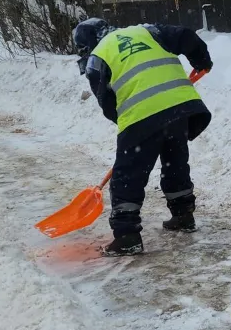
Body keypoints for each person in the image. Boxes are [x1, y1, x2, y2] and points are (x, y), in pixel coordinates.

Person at [72, 17, 214, 256]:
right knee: (174, 163)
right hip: (180, 107)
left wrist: (135, 128)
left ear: (87, 45)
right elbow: (185, 36)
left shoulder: (96, 59)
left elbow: (108, 104)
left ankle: (127, 236)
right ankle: (183, 216)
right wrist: (201, 59)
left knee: (128, 175)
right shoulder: (146, 30)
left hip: (141, 116)